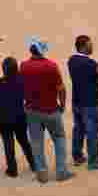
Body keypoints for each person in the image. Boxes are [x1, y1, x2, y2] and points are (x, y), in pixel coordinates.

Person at [20, 37, 73, 183]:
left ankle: (41, 172)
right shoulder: (51, 66)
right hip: (51, 109)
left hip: (32, 110)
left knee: (36, 142)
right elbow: (61, 88)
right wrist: (62, 104)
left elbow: (21, 86)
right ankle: (61, 171)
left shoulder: (23, 66)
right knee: (59, 138)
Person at [0, 57, 37, 177]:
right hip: (20, 117)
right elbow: (28, 95)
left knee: (8, 143)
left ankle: (12, 169)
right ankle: (34, 164)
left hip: (3, 120)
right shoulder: (22, 80)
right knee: (24, 141)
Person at [68, 35, 98, 170]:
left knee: (78, 128)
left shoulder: (71, 60)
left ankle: (77, 156)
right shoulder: (91, 64)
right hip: (90, 103)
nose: (91, 47)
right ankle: (94, 161)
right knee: (92, 131)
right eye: (89, 45)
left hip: (76, 101)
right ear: (84, 46)